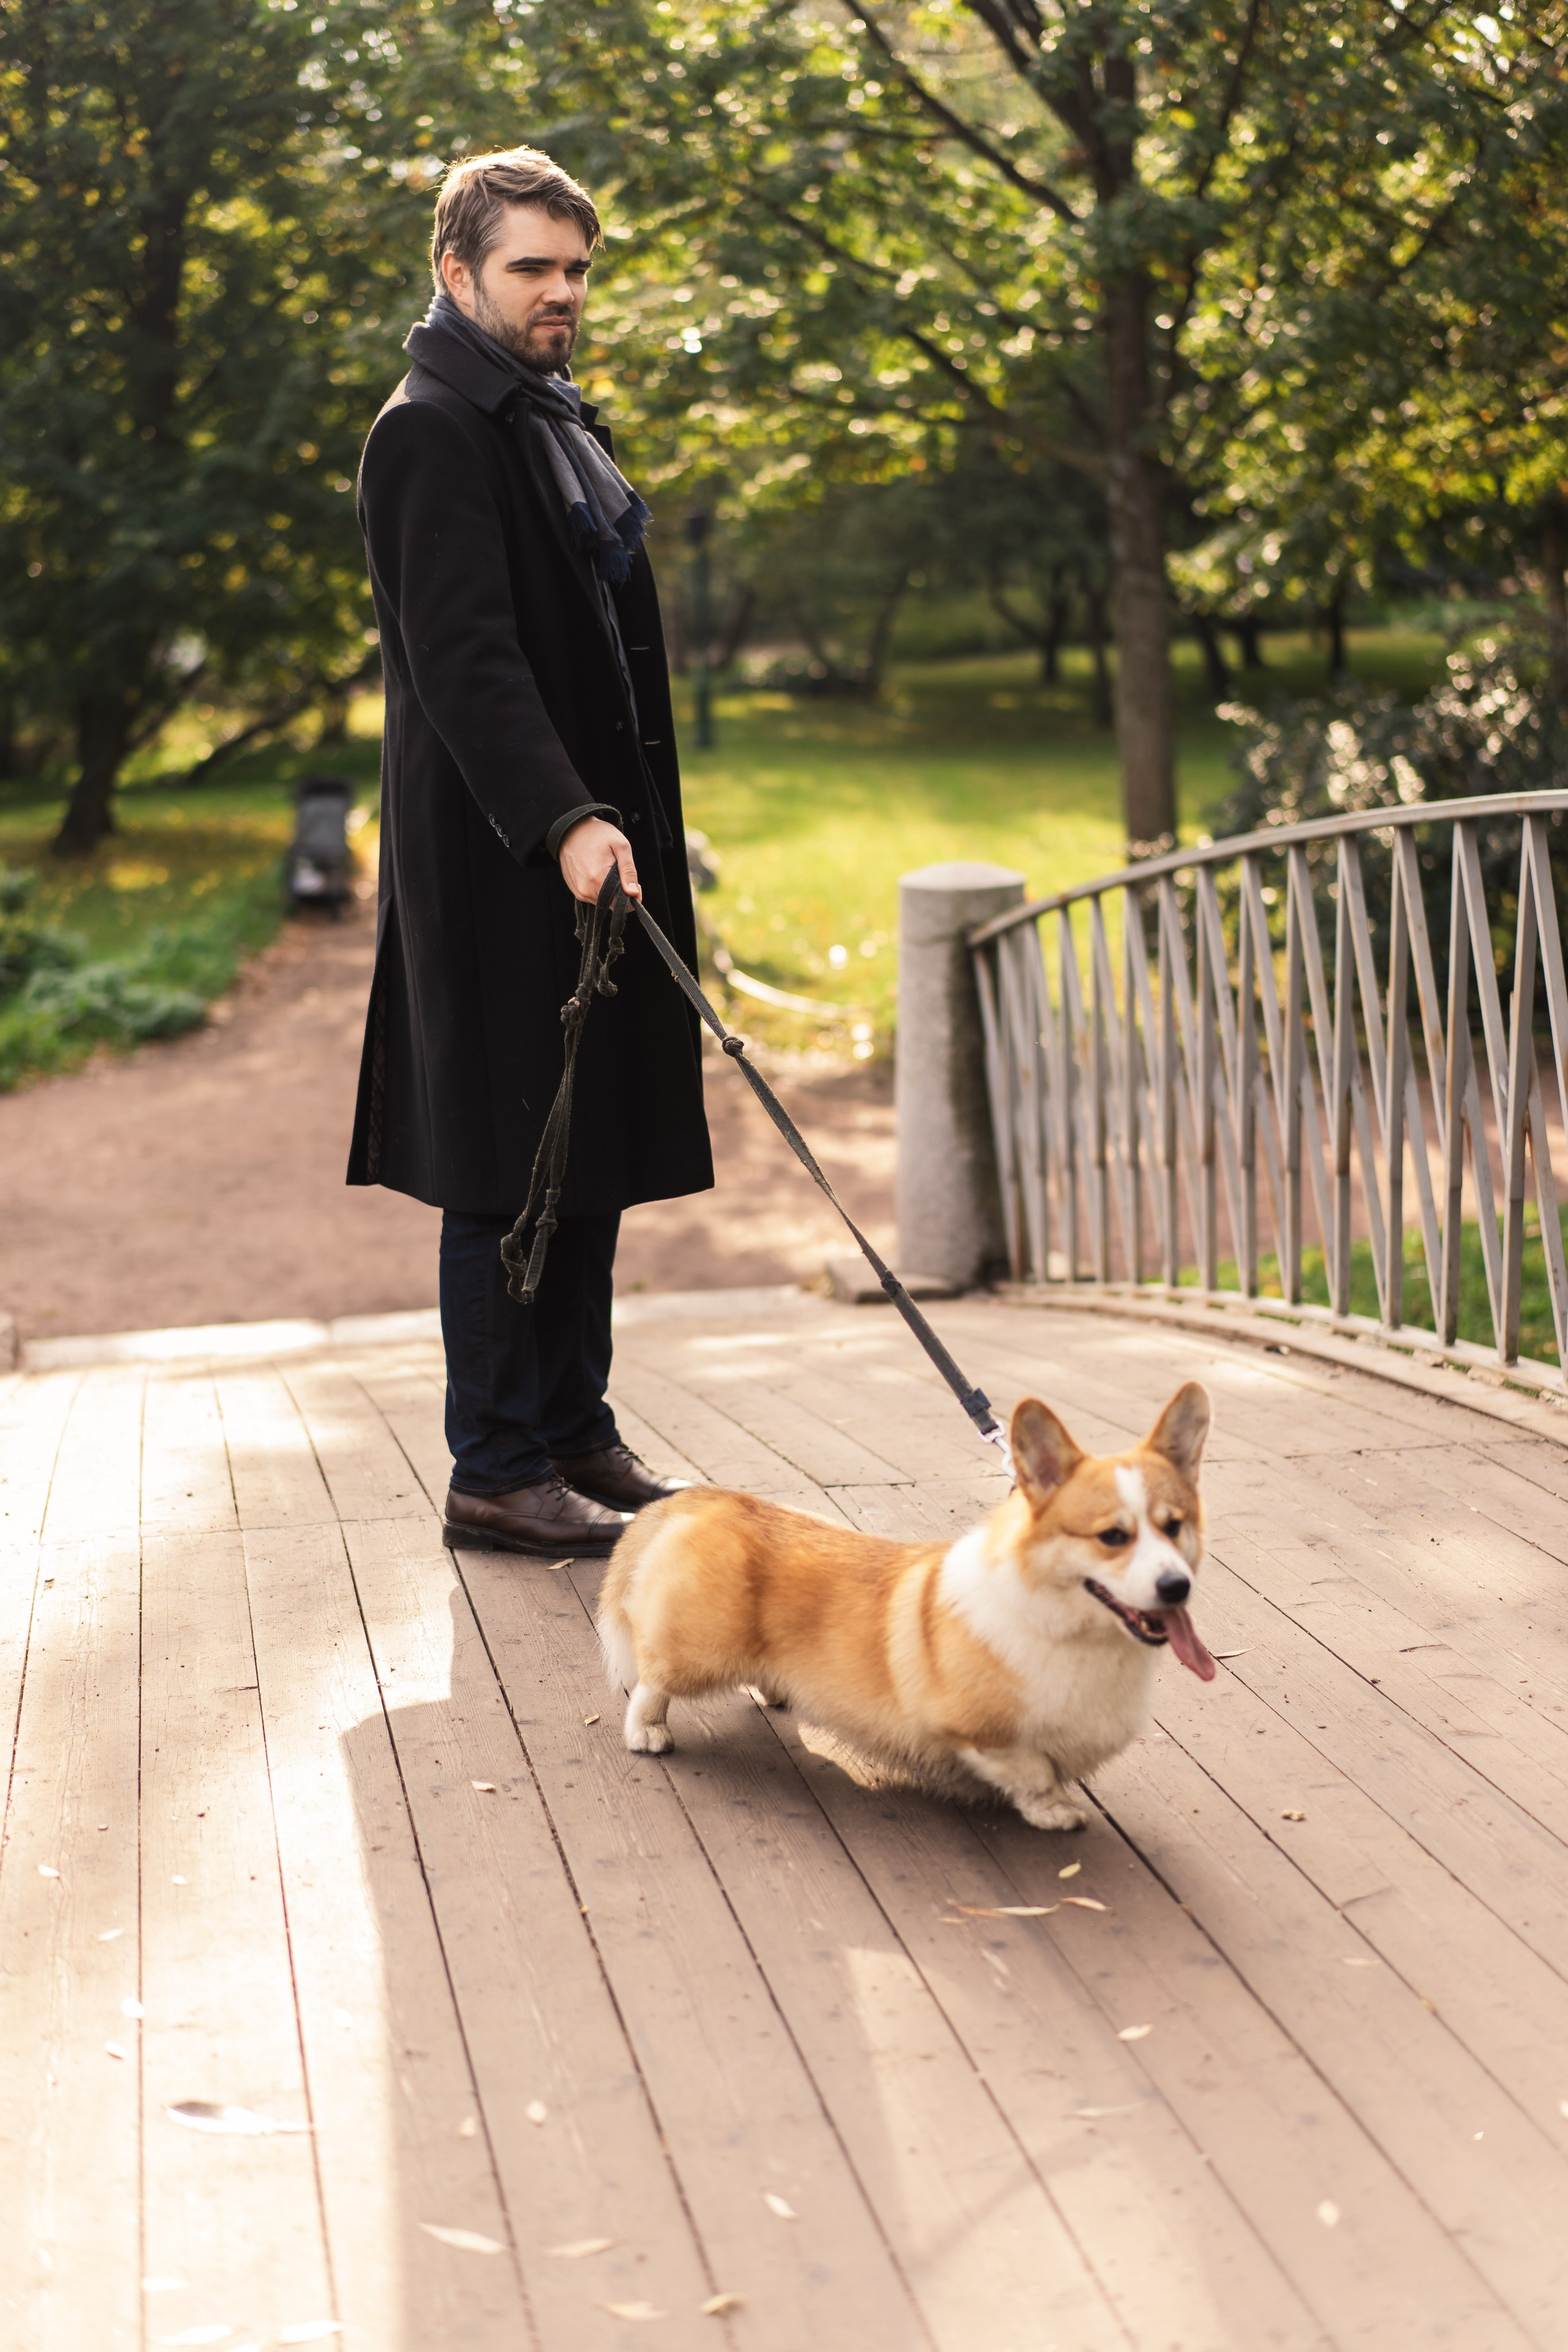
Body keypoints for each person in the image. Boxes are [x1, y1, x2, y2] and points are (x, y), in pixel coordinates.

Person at [347, 147, 713, 1558]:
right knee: (511, 1164)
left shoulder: (548, 416)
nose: (561, 293)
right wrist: (563, 818)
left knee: (591, 1146)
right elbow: (467, 663)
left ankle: (572, 1431)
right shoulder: (429, 428)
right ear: (456, 273)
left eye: (575, 268)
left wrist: (614, 822)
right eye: (531, 269)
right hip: (504, 865)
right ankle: (495, 1466)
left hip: (591, 854)